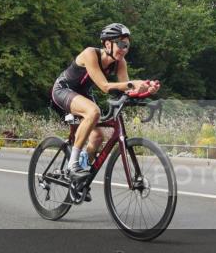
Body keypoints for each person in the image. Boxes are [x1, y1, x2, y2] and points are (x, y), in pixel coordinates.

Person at [51, 23, 160, 198]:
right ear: (108, 44)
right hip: (63, 90)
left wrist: (146, 89)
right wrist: (134, 83)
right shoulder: (90, 54)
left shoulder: (120, 63)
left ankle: (78, 180)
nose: (124, 49)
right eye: (121, 44)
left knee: (98, 136)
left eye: (127, 46)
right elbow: (104, 86)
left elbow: (127, 90)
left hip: (83, 94)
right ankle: (72, 166)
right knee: (93, 112)